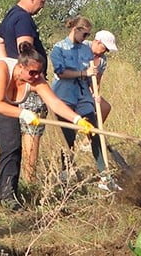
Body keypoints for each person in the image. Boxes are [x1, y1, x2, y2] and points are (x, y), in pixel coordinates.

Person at [0, 43, 94, 210]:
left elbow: (55, 103)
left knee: (12, 146)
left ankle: (7, 196)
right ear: (20, 67)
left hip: (7, 103)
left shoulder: (36, 80)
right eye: (32, 72)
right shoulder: (2, 68)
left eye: (39, 73)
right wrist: (23, 114)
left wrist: (77, 120)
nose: (36, 77)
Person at [50, 18, 119, 191]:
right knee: (68, 137)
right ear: (75, 29)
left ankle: (105, 176)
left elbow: (93, 76)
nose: (87, 37)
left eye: (89, 34)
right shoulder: (59, 48)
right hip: (64, 96)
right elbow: (60, 72)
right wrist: (83, 73)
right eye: (85, 33)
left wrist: (94, 91)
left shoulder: (86, 51)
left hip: (83, 98)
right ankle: (66, 174)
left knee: (94, 131)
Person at [0, 0, 49, 183]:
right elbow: (26, 50)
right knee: (31, 135)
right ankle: (29, 181)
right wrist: (29, 74)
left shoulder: (11, 14)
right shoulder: (24, 18)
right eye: (41, 3)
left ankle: (13, 183)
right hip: (28, 86)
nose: (41, 8)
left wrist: (5, 63)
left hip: (15, 83)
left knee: (13, 139)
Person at [86, 29, 119, 123]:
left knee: (105, 107)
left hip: (86, 93)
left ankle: (90, 137)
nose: (106, 52)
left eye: (108, 50)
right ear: (98, 42)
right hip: (73, 89)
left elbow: (97, 81)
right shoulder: (82, 47)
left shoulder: (102, 60)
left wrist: (95, 94)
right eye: (105, 48)